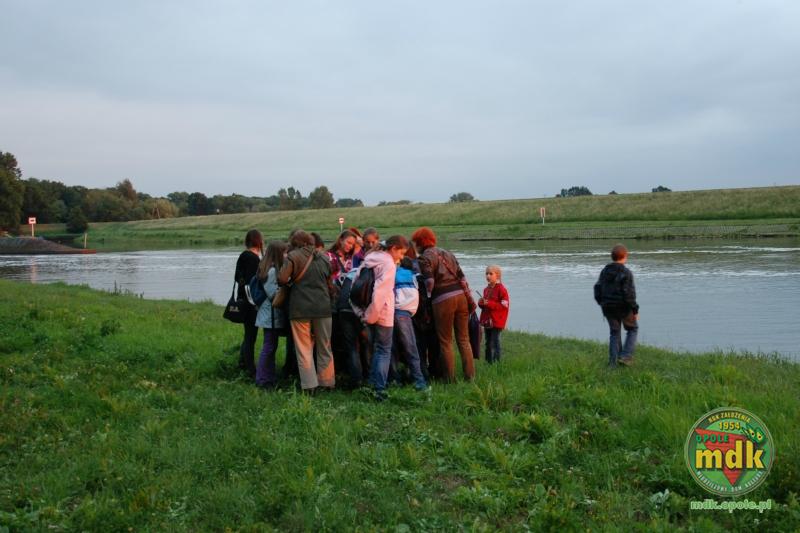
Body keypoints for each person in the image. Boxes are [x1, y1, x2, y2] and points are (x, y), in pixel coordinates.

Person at [411, 227, 475, 382]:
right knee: (464, 339)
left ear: (420, 243)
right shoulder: (448, 253)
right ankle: (470, 377)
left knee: (446, 341)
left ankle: (449, 379)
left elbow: (430, 283)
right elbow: (462, 278)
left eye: (415, 243)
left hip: (443, 300)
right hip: (461, 297)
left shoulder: (424, 258)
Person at [352, 235, 409, 401]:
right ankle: (379, 389)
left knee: (375, 349)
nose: (402, 258)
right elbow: (380, 293)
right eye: (401, 253)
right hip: (382, 314)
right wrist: (371, 316)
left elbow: (355, 285)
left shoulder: (369, 258)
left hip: (367, 311)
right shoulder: (388, 264)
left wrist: (362, 313)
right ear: (393, 249)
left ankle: (372, 383)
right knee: (383, 351)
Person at [278, 230, 335, 391]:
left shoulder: (293, 257)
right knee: (325, 346)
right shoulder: (324, 258)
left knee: (304, 348)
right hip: (323, 307)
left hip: (300, 308)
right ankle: (327, 382)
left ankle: (310, 386)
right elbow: (329, 280)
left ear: (295, 243)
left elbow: (282, 279)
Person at [594, 244, 639, 367]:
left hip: (608, 307)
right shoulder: (626, 272)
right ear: (625, 256)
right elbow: (629, 294)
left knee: (614, 333)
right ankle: (626, 356)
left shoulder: (604, 271)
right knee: (632, 329)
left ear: (612, 257)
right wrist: (635, 310)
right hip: (623, 307)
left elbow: (597, 288)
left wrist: (602, 303)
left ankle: (613, 364)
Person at [254, 240, 288, 388]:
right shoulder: (272, 271)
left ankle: (270, 377)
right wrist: (286, 287)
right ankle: (262, 379)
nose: (286, 255)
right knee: (268, 347)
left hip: (269, 315)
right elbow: (273, 294)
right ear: (278, 254)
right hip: (271, 316)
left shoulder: (266, 268)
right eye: (284, 252)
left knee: (271, 346)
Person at [392, 256, 429, 391]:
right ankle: (420, 382)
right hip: (403, 314)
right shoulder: (414, 276)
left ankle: (394, 379)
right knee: (411, 348)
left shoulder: (394, 274)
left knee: (392, 349)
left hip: (391, 314)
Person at [235, 229, 263, 377]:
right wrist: (255, 302)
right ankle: (251, 369)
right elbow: (252, 283)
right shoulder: (253, 259)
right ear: (259, 241)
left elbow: (237, 278)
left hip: (242, 300)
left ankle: (242, 362)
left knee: (248, 334)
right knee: (251, 336)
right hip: (250, 302)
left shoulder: (243, 256)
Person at [478, 265, 510, 364]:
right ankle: (488, 362)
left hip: (497, 321)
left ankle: (497, 363)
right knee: (488, 342)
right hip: (487, 321)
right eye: (486, 274)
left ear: (498, 275)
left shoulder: (502, 289)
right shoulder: (486, 289)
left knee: (495, 342)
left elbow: (504, 306)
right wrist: (481, 303)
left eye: (491, 274)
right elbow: (485, 306)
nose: (488, 276)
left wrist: (489, 303)